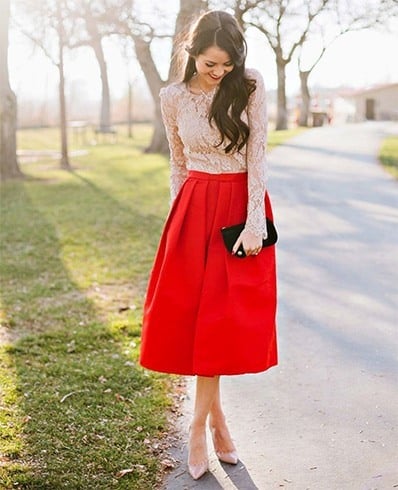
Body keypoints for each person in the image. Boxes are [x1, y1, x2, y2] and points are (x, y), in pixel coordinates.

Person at [140, 10, 277, 481]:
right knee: (194, 319)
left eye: (226, 64)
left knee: (223, 321)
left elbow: (257, 154)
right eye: (209, 64)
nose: (219, 73)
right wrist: (179, 219)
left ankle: (196, 427)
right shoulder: (172, 97)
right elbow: (178, 163)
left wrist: (254, 222)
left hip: (240, 209)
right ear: (192, 53)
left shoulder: (251, 86)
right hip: (193, 210)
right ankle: (217, 425)